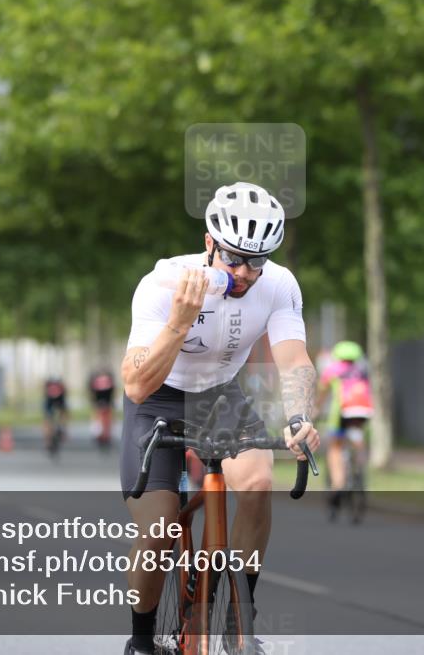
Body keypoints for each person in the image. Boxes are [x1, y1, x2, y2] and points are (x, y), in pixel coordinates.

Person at [119, 182, 320, 655]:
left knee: (256, 483)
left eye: (256, 261)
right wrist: (179, 322)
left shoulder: (279, 285)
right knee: (160, 529)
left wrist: (298, 417)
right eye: (233, 258)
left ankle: (238, 618)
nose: (244, 273)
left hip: (219, 396)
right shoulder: (163, 283)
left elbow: (295, 360)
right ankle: (142, 641)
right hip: (158, 399)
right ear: (209, 243)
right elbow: (136, 385)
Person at [317, 340, 373, 511]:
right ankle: (359, 466)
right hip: (362, 411)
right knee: (357, 436)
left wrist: (316, 410)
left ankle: (338, 484)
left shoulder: (332, 369)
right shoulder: (363, 369)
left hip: (341, 412)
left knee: (335, 447)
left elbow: (322, 393)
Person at [88, 367, 116, 448]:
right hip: (103, 403)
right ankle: (103, 434)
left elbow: (93, 392)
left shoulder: (98, 380)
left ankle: (102, 434)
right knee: (102, 419)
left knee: (102, 419)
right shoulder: (107, 380)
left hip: (101, 403)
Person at [43, 376, 68, 455]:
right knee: (48, 420)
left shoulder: (61, 389)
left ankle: (63, 430)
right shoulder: (49, 387)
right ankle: (48, 441)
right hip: (50, 402)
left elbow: (63, 400)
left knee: (62, 415)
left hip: (59, 401)